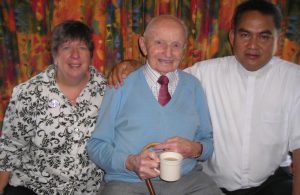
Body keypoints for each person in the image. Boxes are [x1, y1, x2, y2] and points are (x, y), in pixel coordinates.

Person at [107, 1, 300, 195]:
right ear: (232, 37)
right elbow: (163, 71)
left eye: (264, 37)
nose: (253, 45)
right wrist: (130, 66)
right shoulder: (204, 73)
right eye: (245, 35)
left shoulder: (294, 79)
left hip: (273, 181)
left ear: (278, 38)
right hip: (216, 184)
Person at [86, 15, 223, 195]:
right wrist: (130, 162)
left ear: (184, 48)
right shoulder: (120, 85)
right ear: (143, 45)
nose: (168, 53)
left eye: (176, 45)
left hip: (188, 181)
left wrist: (195, 149)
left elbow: (208, 143)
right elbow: (96, 146)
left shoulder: (193, 86)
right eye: (159, 42)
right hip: (128, 182)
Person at [0, 20, 107, 195]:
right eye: (66, 48)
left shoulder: (107, 90)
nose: (75, 55)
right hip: (34, 187)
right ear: (55, 55)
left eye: (82, 48)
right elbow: (10, 147)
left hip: (89, 191)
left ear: (90, 55)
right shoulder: (28, 93)